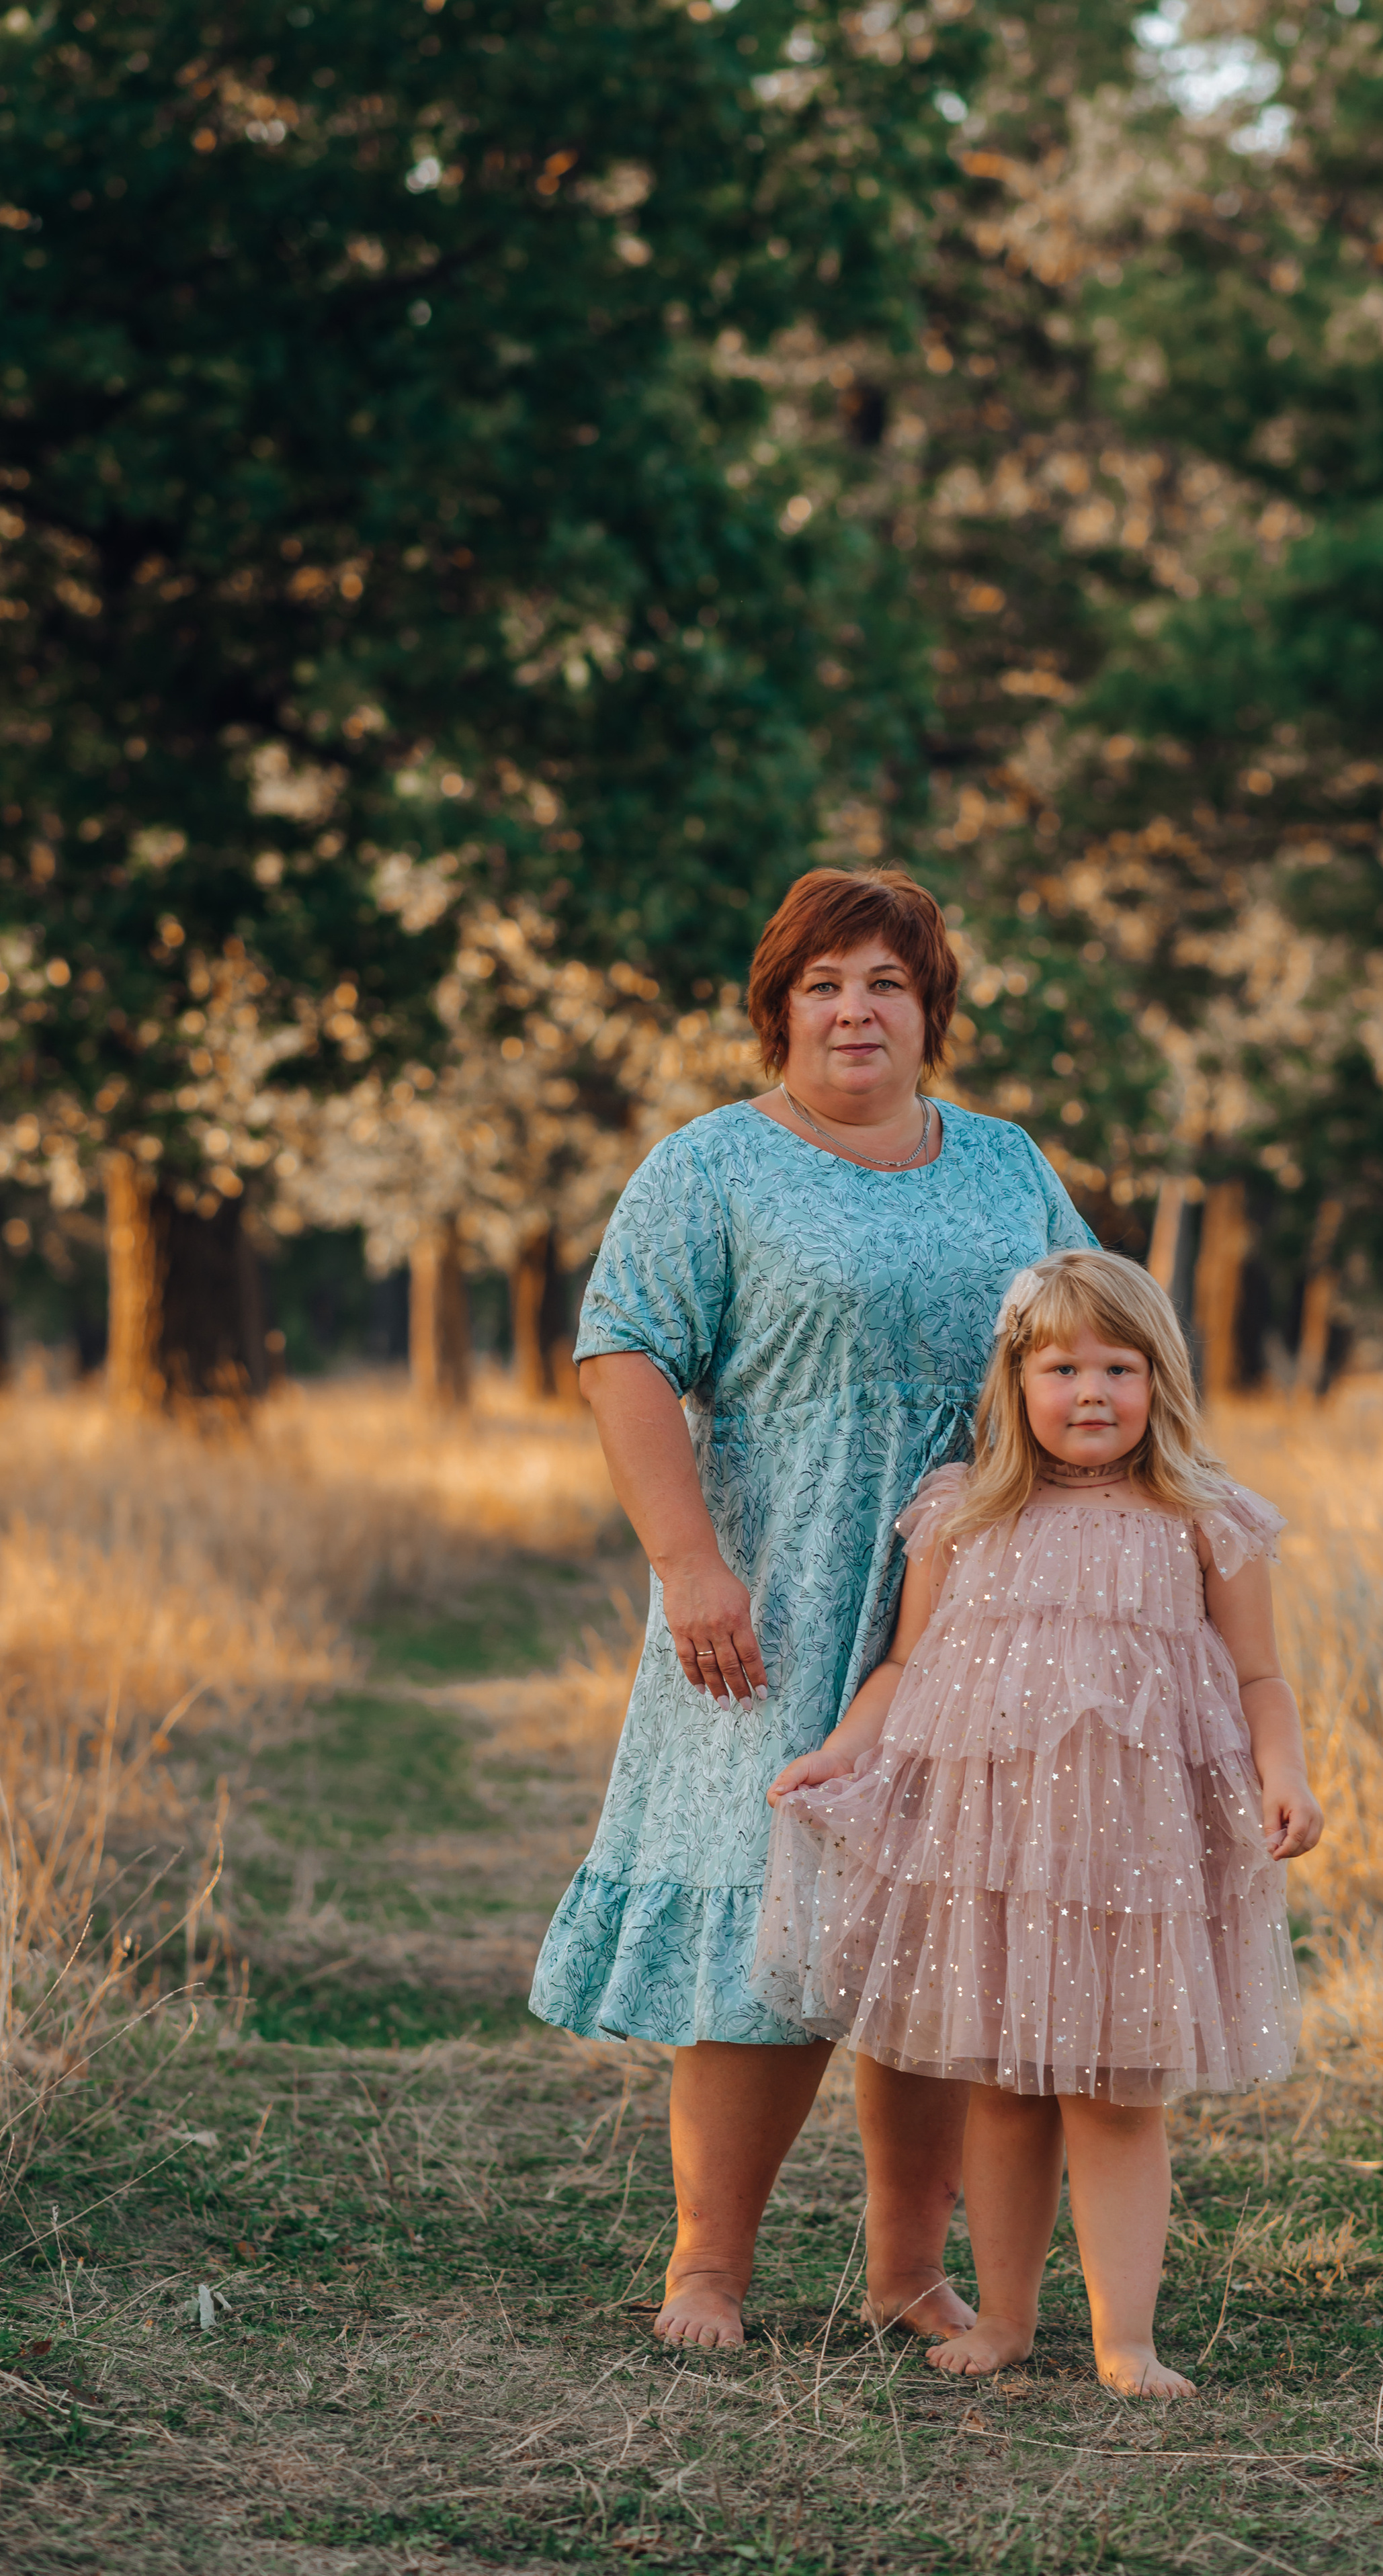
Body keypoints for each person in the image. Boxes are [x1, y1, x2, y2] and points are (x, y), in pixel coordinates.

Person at [530, 867, 1097, 2352]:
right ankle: (707, 2270)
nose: (856, 1008)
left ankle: (908, 2270)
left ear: (931, 1013)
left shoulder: (1004, 1162)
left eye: (887, 983)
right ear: (777, 1010)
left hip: (977, 1589)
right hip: (772, 1587)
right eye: (824, 984)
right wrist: (688, 1561)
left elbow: (1100, 1336)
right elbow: (624, 1356)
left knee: (926, 1926)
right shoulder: (711, 1164)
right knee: (761, 1916)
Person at [753, 1247, 1322, 2397]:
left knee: (1117, 2097)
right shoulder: (964, 1514)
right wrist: (838, 1752)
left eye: (1121, 1365)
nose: (1094, 1392)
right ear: (1016, 1381)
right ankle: (1006, 2316)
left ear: (1162, 1379)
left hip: (1137, 1859)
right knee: (1005, 2092)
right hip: (993, 1857)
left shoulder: (1204, 1519)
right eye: (1063, 1367)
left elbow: (1262, 1677)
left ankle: (1127, 2340)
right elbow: (906, 1663)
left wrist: (1286, 1772)